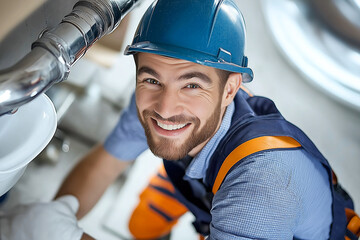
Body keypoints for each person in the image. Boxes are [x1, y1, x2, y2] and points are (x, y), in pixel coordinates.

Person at [1, 0, 359, 239]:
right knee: (140, 226)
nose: (165, 106)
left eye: (192, 84)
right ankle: (193, 181)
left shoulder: (262, 187)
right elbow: (105, 164)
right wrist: (59, 213)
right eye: (151, 78)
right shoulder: (152, 101)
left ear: (231, 88)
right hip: (218, 180)